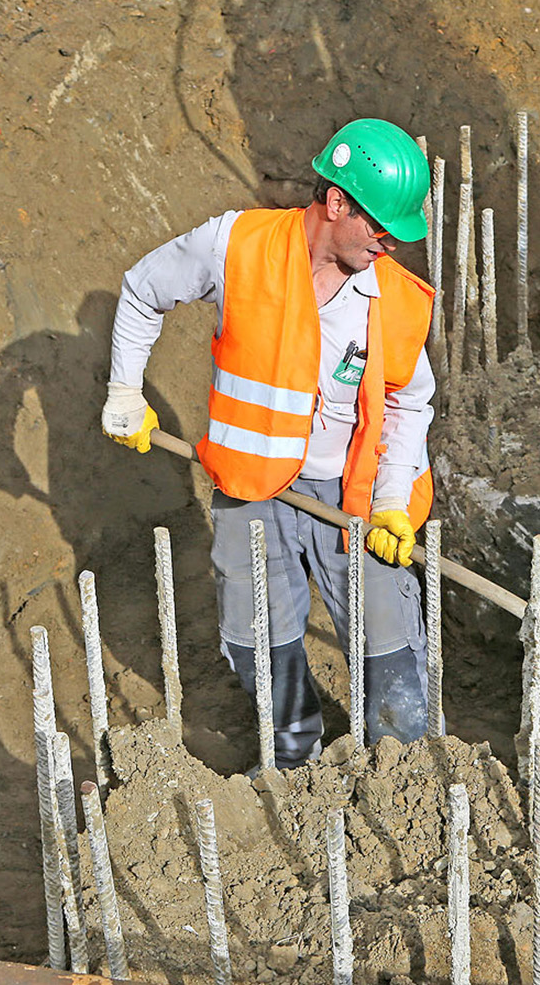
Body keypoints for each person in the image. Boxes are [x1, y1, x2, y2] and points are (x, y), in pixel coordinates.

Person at [100, 118, 437, 767]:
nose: (390, 243)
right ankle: (293, 751)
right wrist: (124, 391)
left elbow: (409, 398)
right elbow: (143, 288)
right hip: (256, 486)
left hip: (354, 493)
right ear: (336, 201)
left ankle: (403, 768)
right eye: (380, 226)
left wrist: (393, 500)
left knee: (395, 675)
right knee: (260, 638)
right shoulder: (238, 245)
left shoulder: (387, 299)